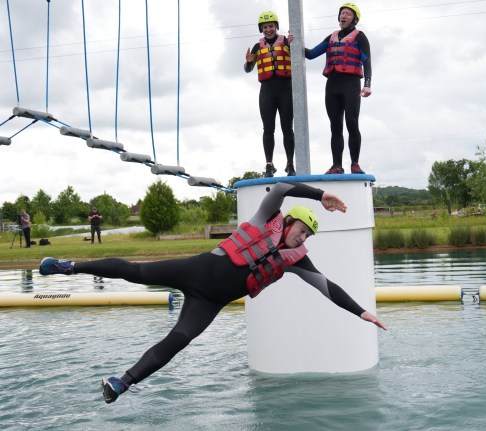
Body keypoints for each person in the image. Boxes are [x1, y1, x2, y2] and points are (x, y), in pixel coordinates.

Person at [39, 181, 386, 404]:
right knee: (135, 272)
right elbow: (280, 187)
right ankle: (69, 267)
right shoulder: (268, 217)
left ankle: (121, 383)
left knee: (178, 341)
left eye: (309, 236)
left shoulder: (296, 260)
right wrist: (321, 195)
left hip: (210, 302)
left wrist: (362, 313)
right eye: (302, 230)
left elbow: (328, 288)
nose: (303, 238)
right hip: (198, 269)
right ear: (290, 221)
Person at [304, 3, 372, 175]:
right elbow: (311, 54)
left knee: (351, 123)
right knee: (335, 127)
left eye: (348, 14)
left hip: (351, 85)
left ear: (354, 19)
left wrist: (367, 85)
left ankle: (355, 164)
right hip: (332, 86)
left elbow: (367, 61)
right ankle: (337, 165)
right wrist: (293, 43)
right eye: (342, 13)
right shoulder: (331, 37)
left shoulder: (360, 37)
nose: (344, 16)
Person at [245, 11, 296, 178]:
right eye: (265, 27)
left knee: (287, 128)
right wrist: (249, 61)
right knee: (268, 129)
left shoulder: (287, 42)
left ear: (276, 27)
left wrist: (292, 44)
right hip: (267, 91)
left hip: (285, 89)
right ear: (261, 29)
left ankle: (290, 163)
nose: (268, 29)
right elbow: (247, 69)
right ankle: (269, 164)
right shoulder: (258, 47)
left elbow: (300, 55)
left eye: (271, 26)